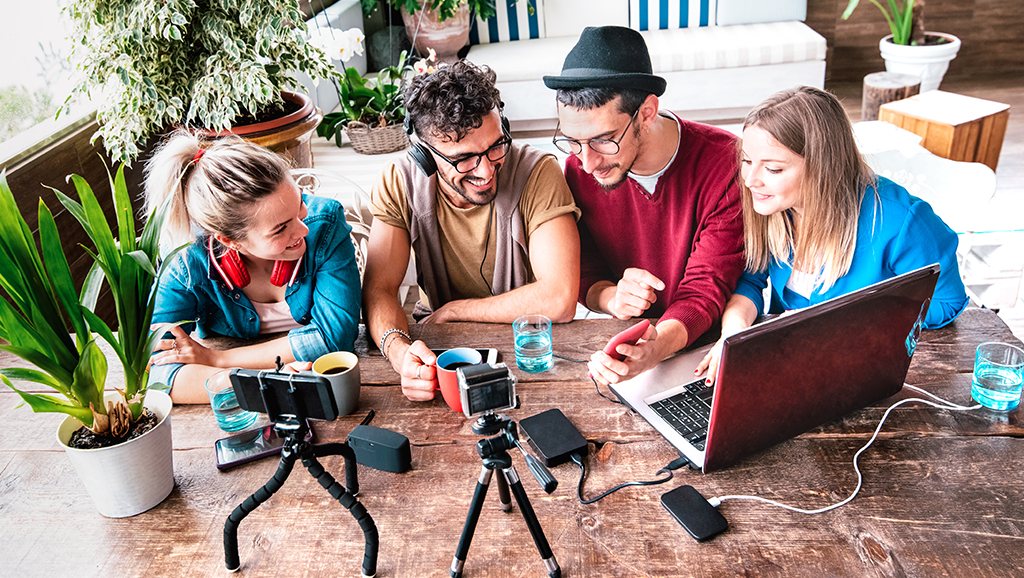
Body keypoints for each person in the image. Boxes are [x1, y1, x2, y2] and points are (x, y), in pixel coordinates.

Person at [696, 85, 969, 382]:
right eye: (747, 161)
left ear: (822, 167)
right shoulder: (771, 205)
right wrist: (731, 336)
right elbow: (751, 279)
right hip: (787, 361)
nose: (750, 180)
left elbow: (946, 301)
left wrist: (843, 324)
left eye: (772, 169)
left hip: (863, 368)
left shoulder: (901, 220)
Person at [363, 60, 580, 403]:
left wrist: (454, 310)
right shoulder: (399, 180)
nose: (486, 169)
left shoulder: (539, 172)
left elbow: (560, 297)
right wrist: (398, 351)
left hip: (524, 346)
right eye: (463, 159)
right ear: (425, 155)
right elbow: (379, 289)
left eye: (496, 145)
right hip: (440, 346)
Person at [542, 26, 745, 386]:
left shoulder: (726, 164)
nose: (587, 163)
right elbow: (582, 268)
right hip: (621, 342)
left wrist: (654, 349)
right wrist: (610, 297)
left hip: (701, 354)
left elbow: (704, 292)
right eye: (572, 141)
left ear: (647, 113)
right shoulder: (578, 167)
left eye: (604, 140)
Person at [145, 131, 361, 404]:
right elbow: (157, 371)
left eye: (299, 206)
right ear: (229, 241)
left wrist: (216, 358)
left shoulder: (326, 222)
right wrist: (260, 382)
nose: (303, 229)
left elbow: (333, 339)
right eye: (281, 228)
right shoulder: (184, 261)